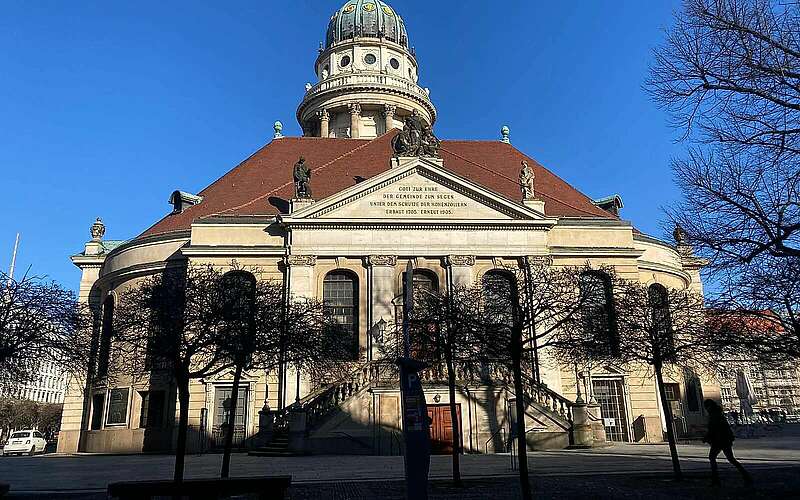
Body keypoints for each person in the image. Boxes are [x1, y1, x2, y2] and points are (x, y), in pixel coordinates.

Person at [703, 399, 752, 487]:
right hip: (724, 440)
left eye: (706, 407)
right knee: (730, 459)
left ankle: (716, 479)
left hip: (719, 440)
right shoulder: (718, 414)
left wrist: (707, 437)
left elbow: (714, 429)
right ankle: (746, 475)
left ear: (709, 407)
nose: (706, 409)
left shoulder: (714, 415)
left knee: (713, 457)